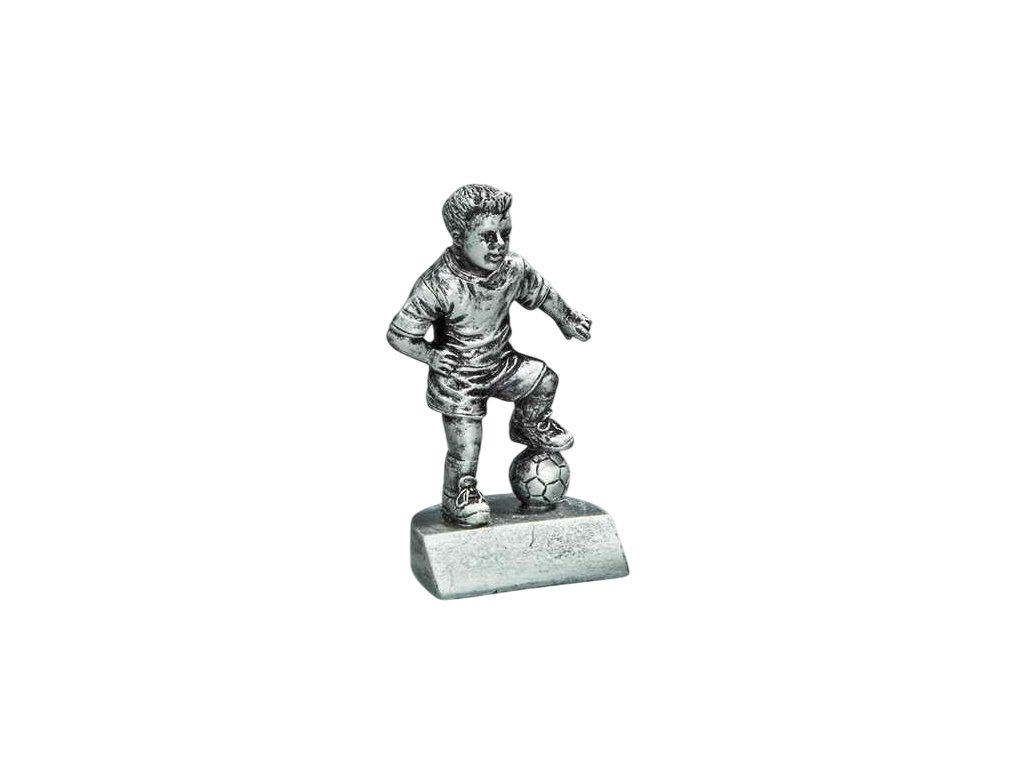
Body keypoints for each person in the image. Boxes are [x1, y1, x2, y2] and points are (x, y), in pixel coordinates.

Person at [387, 184, 592, 527]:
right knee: (465, 447)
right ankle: (459, 493)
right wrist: (431, 356)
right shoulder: (439, 284)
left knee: (544, 380)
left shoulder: (513, 268)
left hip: (500, 363)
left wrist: (567, 318)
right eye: (487, 237)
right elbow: (398, 334)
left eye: (505, 234)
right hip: (458, 380)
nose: (499, 244)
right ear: (458, 237)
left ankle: (528, 422)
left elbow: (541, 293)